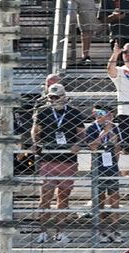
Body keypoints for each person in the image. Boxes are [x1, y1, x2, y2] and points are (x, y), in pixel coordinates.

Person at [32, 82, 86, 243]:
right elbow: (35, 131)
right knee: (45, 196)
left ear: (64, 97)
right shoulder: (43, 112)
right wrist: (36, 143)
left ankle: (60, 232)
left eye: (56, 97)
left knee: (63, 197)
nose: (53, 100)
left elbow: (81, 133)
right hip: (48, 159)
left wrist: (79, 144)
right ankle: (43, 231)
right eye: (50, 97)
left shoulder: (74, 113)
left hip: (68, 160)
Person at [85, 104, 124, 240]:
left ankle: (115, 231)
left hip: (111, 167)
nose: (108, 117)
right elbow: (93, 146)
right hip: (98, 167)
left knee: (115, 199)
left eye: (109, 114)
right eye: (104, 114)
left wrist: (115, 163)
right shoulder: (91, 128)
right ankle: (100, 231)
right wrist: (104, 133)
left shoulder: (115, 127)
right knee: (99, 200)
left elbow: (118, 148)